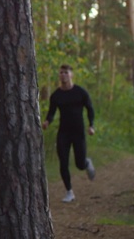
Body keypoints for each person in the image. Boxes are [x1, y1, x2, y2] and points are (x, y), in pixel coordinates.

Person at [42, 64, 95, 203]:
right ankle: (69, 192)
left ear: (71, 75)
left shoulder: (80, 92)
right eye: (61, 72)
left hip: (78, 132)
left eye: (66, 72)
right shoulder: (56, 95)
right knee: (63, 162)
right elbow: (52, 112)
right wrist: (47, 121)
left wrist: (91, 125)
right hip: (63, 132)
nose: (63, 75)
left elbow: (90, 109)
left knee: (79, 164)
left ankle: (86, 163)